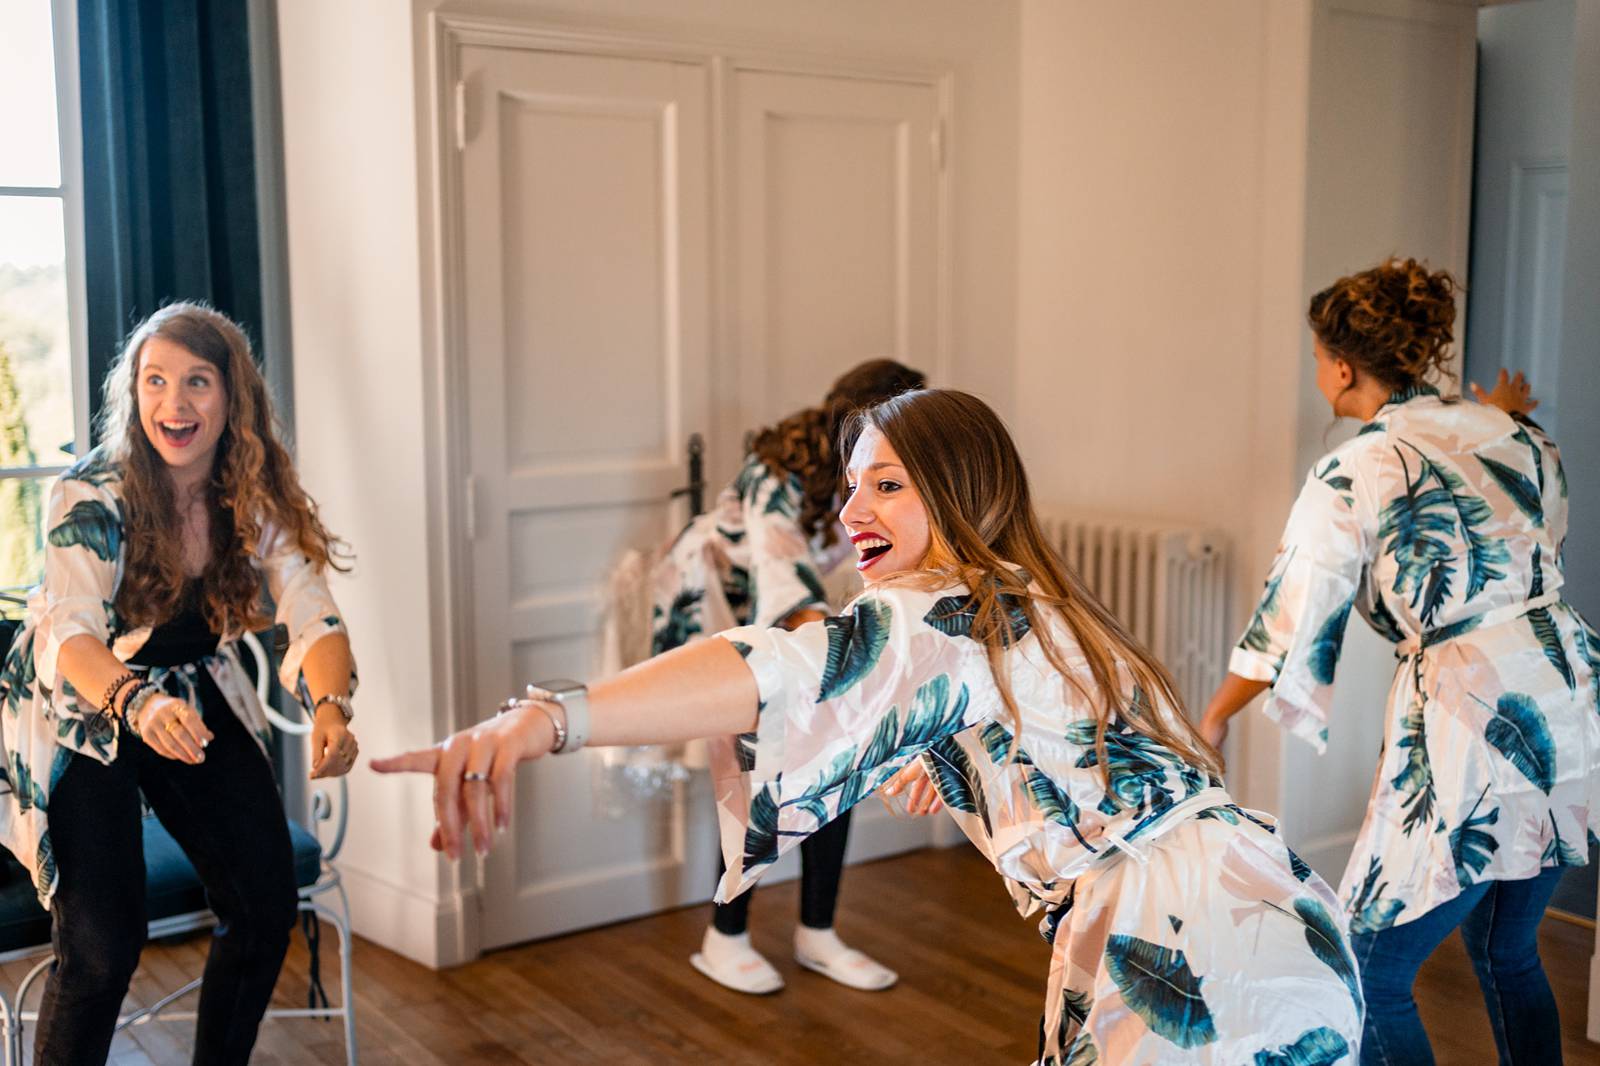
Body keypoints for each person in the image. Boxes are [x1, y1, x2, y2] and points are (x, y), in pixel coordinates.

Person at [377, 388, 1364, 1065]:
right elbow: (1079, 752)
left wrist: (552, 714)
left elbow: (782, 661)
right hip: (1281, 914)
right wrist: (968, 768)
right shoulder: (1033, 597)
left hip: (1185, 945)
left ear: (960, 491)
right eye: (850, 484)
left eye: (886, 482)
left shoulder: (943, 606)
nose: (852, 510)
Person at [1198, 257, 1600, 1065]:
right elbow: (1536, 541)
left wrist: (1214, 714)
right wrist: (1503, 415)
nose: (1317, 373)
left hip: (1472, 722)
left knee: (1368, 974)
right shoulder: (1516, 431)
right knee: (1509, 950)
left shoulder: (1354, 470)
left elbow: (1292, 613)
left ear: (1342, 368)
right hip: (1567, 698)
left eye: (1317, 358)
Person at [0, 303, 361, 1064]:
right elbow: (68, 630)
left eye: (197, 381)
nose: (173, 402)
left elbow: (310, 605)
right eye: (154, 380)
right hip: (86, 712)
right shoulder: (90, 495)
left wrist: (330, 705)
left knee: (265, 907)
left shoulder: (250, 490)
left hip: (190, 690)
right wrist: (135, 700)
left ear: (233, 398)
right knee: (102, 949)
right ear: (133, 393)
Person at [647, 358, 924, 994]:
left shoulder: (881, 473)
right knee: (758, 761)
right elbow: (785, 583)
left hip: (787, 612)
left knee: (837, 752)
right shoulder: (779, 474)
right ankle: (725, 936)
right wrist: (848, 659)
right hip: (716, 607)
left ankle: (817, 931)